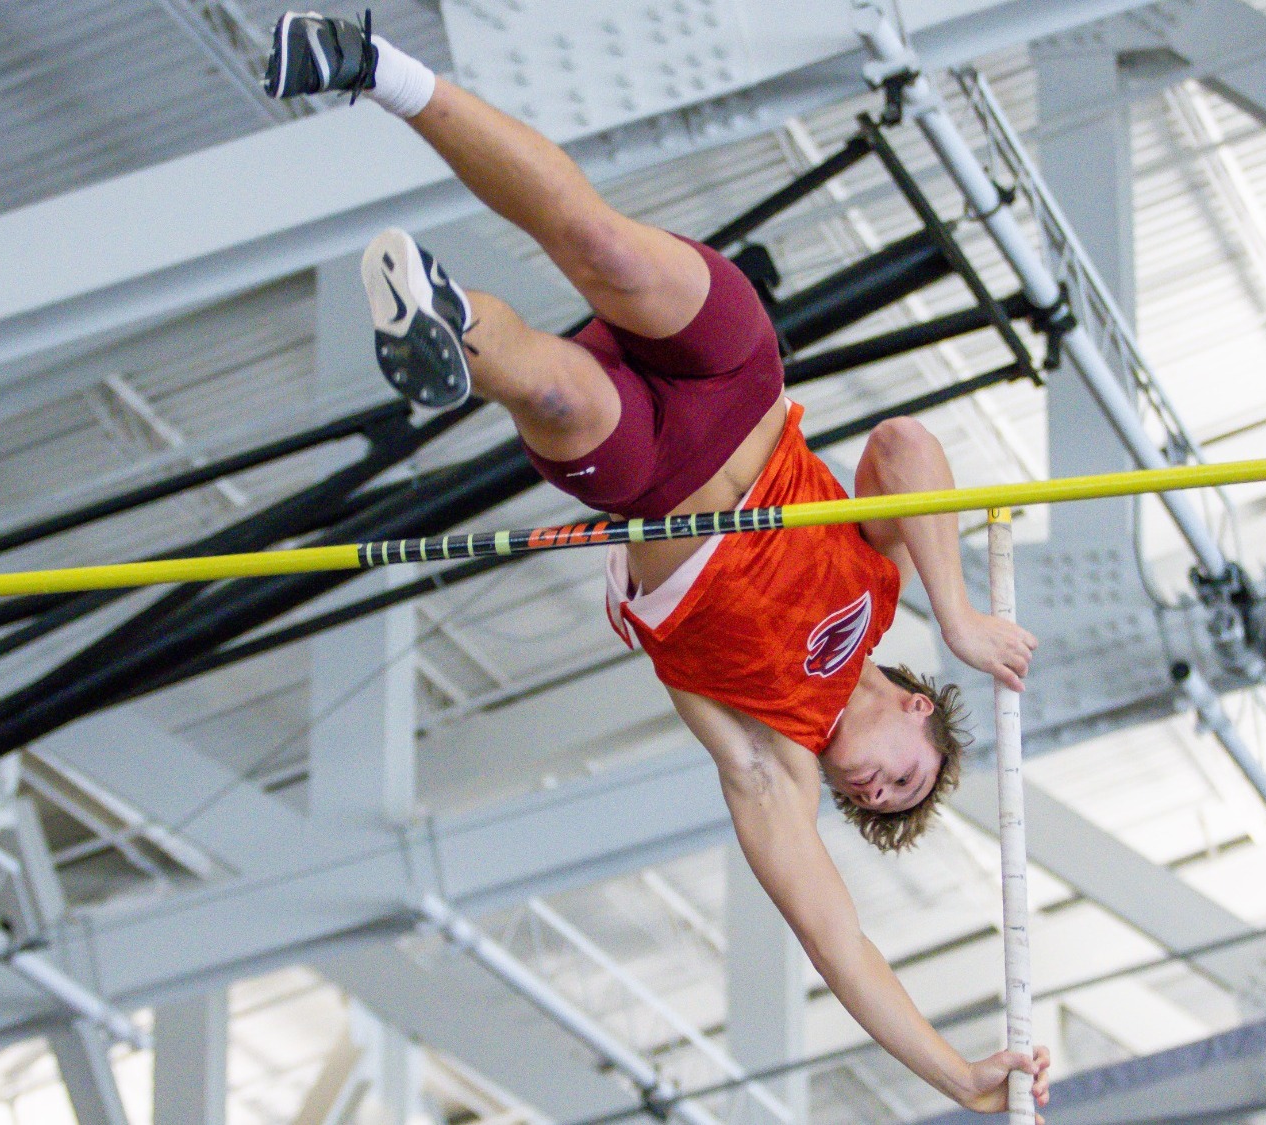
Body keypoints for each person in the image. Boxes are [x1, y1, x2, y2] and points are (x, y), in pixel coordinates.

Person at [265, 12, 1048, 1117]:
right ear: (920, 705)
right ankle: (371, 67)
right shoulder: (884, 587)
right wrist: (959, 617)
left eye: (867, 805)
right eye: (905, 781)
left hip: (651, 481)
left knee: (548, 388)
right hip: (736, 383)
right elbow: (905, 446)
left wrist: (958, 1077)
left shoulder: (770, 759)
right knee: (604, 247)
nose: (873, 793)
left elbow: (839, 944)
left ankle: (442, 320)